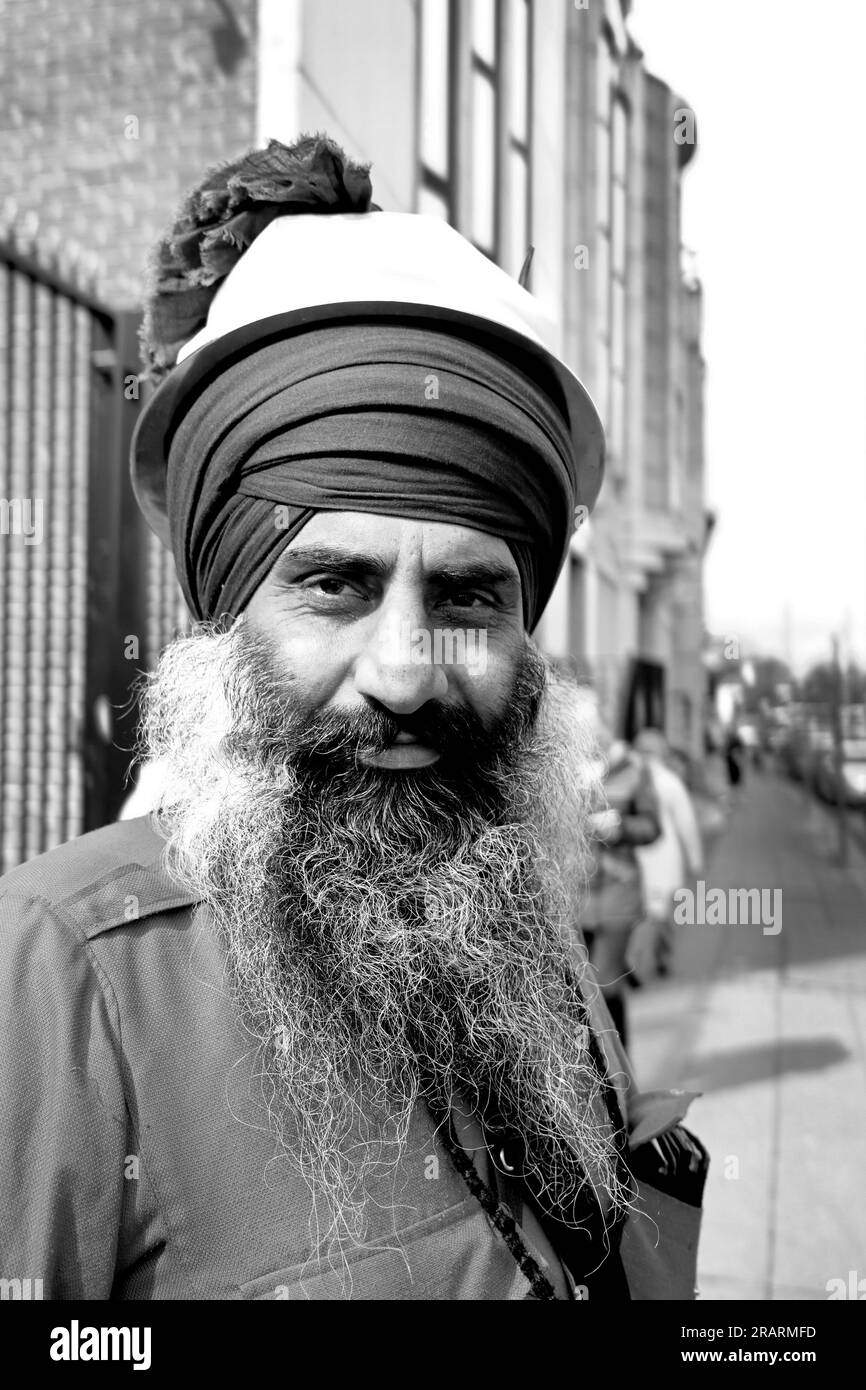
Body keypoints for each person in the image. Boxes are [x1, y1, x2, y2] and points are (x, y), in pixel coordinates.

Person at [0, 135, 706, 1301]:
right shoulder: (60, 973)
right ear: (227, 609)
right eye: (334, 583)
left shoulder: (523, 932)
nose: (405, 671)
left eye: (468, 595)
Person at [580, 724, 662, 1050]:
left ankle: (620, 1078)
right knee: (577, 995)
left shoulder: (633, 771)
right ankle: (590, 1077)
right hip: (572, 898)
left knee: (606, 989)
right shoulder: (561, 764)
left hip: (618, 895)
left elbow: (653, 827)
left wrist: (620, 827)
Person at [630, 728, 704, 981]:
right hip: (664, 860)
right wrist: (695, 858)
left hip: (636, 858)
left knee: (643, 913)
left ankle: (635, 962)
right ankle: (661, 959)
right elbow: (686, 824)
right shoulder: (670, 782)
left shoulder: (629, 778)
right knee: (663, 916)